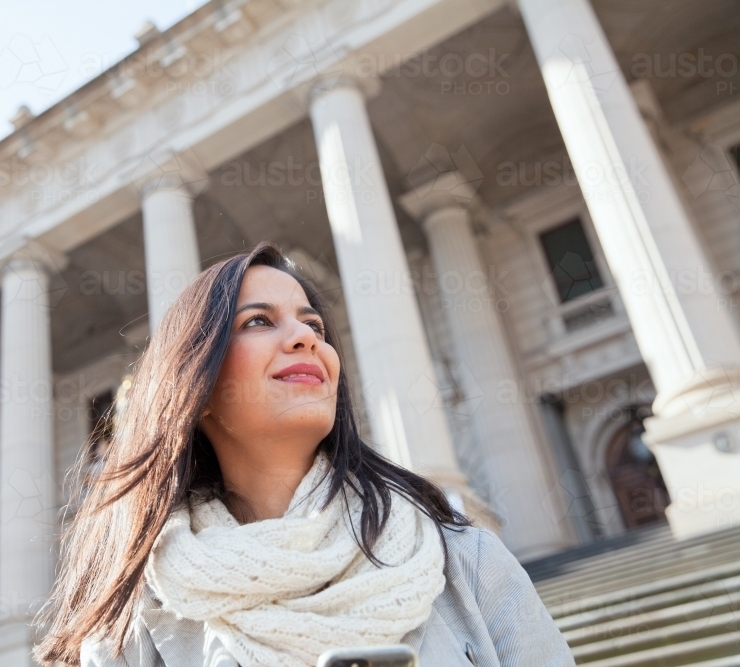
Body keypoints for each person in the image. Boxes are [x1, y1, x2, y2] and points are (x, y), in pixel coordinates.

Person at [35, 243, 575, 667]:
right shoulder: (135, 620)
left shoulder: (465, 561)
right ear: (194, 384)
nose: (305, 338)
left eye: (313, 324)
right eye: (259, 321)